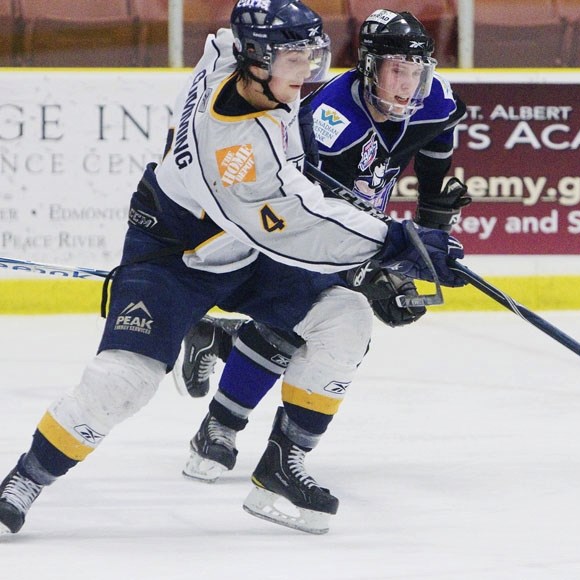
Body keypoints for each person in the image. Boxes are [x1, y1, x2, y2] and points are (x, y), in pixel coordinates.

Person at [0, 0, 466, 537]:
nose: (310, 74)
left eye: (312, 57)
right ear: (258, 61)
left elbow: (231, 35)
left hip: (245, 250)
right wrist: (397, 241)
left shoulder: (233, 58)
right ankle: (26, 478)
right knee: (124, 381)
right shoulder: (238, 148)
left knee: (345, 319)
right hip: (178, 257)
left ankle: (280, 466)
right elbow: (292, 220)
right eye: (297, 61)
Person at [177, 9, 470, 497]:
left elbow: (437, 176)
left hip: (356, 226)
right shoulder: (328, 121)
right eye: (397, 70)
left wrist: (428, 249)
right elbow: (308, 217)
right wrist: (373, 270)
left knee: (311, 324)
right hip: (298, 229)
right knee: (291, 321)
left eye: (416, 71)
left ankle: (222, 343)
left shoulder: (433, 100)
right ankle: (219, 425)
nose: (408, 86)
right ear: (370, 68)